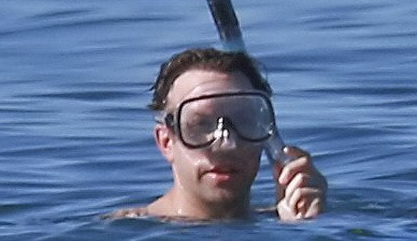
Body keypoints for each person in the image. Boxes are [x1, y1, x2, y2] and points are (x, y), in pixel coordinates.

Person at [113, 46, 328, 221]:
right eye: (200, 125)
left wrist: (305, 228)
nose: (227, 143)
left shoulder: (285, 221)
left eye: (244, 121)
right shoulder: (124, 233)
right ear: (166, 142)